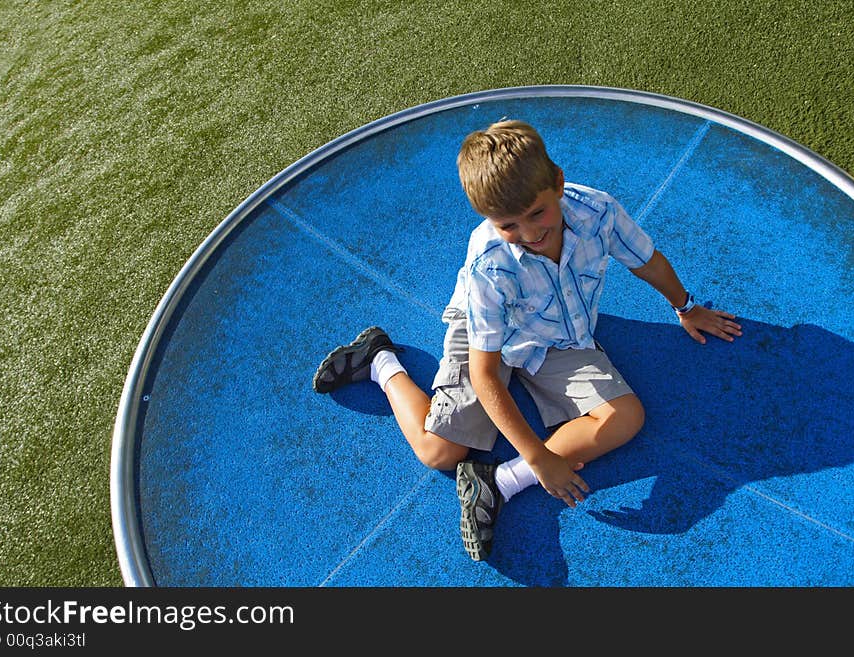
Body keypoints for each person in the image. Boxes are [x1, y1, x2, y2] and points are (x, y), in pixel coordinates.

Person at [312, 119, 742, 561]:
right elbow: (485, 373)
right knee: (438, 451)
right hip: (489, 339)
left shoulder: (598, 211)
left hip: (559, 338)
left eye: (538, 213)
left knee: (627, 417)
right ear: (488, 220)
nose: (530, 233)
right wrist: (540, 458)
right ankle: (380, 360)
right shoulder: (489, 265)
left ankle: (497, 482)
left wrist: (687, 308)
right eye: (508, 225)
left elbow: (646, 261)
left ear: (557, 183)